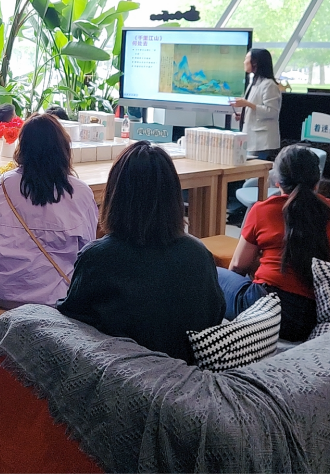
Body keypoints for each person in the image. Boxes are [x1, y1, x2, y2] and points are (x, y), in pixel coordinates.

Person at [57, 142, 225, 363]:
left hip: (120, 376)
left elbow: (71, 324)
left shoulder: (97, 257)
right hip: (184, 371)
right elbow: (215, 315)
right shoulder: (199, 254)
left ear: (115, 195)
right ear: (174, 195)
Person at [217, 144, 330, 341]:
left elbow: (237, 266)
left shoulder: (262, 210)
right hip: (312, 316)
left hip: (267, 311)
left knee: (213, 273)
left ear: (277, 181)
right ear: (316, 182)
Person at [0, 114, 97, 309]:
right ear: (63, 148)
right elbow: (88, 250)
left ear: (22, 147)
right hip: (57, 298)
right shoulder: (80, 192)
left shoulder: (5, 185)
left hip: (3, 293)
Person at [229, 48, 282, 160]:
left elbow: (272, 111)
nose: (244, 62)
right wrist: (243, 115)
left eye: (246, 59)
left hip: (262, 141)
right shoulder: (254, 83)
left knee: (257, 168)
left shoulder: (269, 85)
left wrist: (247, 104)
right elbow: (256, 107)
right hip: (252, 138)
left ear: (255, 62)